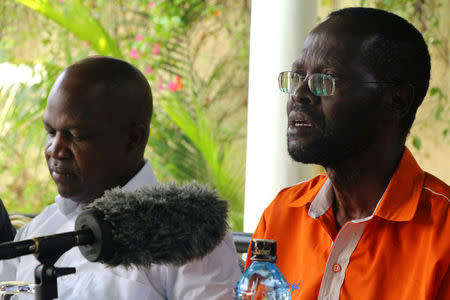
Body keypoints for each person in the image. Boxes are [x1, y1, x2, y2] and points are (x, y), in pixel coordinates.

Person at [246, 7, 449, 300]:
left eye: (325, 80)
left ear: (396, 99)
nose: (299, 94)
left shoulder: (443, 234)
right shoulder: (282, 214)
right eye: (297, 77)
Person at [0, 56, 241, 299]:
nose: (55, 149)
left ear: (133, 139)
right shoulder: (40, 229)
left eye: (75, 135)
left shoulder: (187, 233)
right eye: (51, 132)